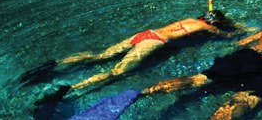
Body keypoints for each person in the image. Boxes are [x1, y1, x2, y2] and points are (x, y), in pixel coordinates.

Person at [31, 10, 250, 103]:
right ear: (214, 22)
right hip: (154, 42)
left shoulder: (190, 19)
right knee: (116, 72)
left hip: (147, 33)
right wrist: (242, 30)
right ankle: (70, 89)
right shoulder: (209, 28)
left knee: (100, 55)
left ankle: (57, 64)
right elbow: (226, 35)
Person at [141, 9, 262, 120]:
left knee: (200, 78)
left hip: (246, 55)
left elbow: (240, 43)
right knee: (246, 97)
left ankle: (143, 92)